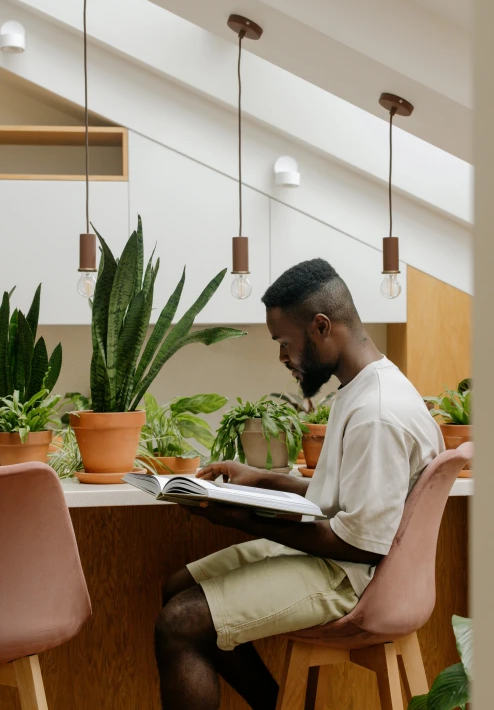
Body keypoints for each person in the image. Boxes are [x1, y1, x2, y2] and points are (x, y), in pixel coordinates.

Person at [155, 258, 443, 710]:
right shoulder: (363, 388)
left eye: (285, 343)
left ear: (321, 326)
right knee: (178, 586)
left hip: (356, 580)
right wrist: (264, 480)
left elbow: (362, 544)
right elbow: (351, 499)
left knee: (179, 623)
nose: (283, 357)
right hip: (341, 562)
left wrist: (244, 518)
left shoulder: (378, 413)